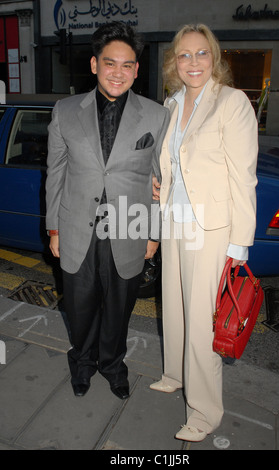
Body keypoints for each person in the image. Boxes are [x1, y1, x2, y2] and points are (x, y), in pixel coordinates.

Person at [46, 22, 169, 400]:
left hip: (129, 228)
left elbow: (160, 180)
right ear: (95, 64)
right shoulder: (65, 110)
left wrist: (152, 233)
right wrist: (54, 229)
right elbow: (54, 172)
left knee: (119, 308)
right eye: (110, 63)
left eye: (127, 65)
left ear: (136, 69)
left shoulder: (156, 115)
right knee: (80, 306)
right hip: (76, 226)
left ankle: (113, 365)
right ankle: (82, 362)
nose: (119, 72)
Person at [150, 24, 258, 442]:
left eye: (201, 54)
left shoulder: (231, 103)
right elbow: (172, 163)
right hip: (175, 221)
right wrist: (159, 184)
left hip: (211, 228)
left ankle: (205, 410)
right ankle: (174, 373)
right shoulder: (173, 103)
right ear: (173, 63)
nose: (192, 62)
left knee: (201, 322)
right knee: (174, 305)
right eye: (183, 55)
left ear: (214, 58)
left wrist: (240, 245)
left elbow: (243, 177)